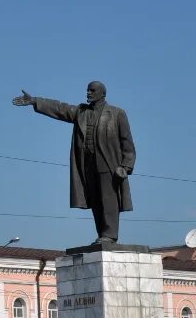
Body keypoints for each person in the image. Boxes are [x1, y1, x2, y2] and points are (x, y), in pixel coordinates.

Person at [13, 82, 135, 244]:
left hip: (109, 165)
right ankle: (103, 235)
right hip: (88, 165)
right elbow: (60, 108)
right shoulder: (81, 112)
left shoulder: (117, 113)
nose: (88, 93)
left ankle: (110, 234)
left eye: (92, 90)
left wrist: (126, 166)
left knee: (109, 200)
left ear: (102, 94)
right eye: (87, 90)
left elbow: (127, 142)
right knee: (96, 201)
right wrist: (35, 100)